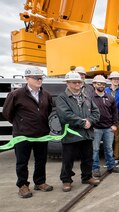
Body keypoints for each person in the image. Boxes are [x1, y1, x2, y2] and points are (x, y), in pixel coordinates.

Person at [3, 67, 53, 198]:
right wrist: (21, 123)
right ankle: (23, 185)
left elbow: (48, 111)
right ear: (27, 79)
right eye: (36, 78)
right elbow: (7, 113)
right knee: (22, 161)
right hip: (22, 135)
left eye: (40, 78)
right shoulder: (16, 94)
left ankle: (40, 182)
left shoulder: (45, 94)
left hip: (41, 134)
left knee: (41, 160)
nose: (39, 80)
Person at [56, 71, 101, 192]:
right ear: (67, 83)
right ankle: (66, 180)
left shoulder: (86, 97)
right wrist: (83, 123)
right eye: (74, 82)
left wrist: (90, 121)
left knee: (87, 157)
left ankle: (87, 177)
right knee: (68, 159)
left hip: (86, 134)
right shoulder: (62, 98)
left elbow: (96, 112)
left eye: (79, 82)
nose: (77, 84)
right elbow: (65, 115)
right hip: (71, 135)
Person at [91, 75, 119, 177]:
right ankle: (95, 168)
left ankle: (111, 166)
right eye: (98, 83)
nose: (101, 85)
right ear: (94, 84)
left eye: (103, 84)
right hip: (95, 128)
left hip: (108, 128)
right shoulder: (90, 98)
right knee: (95, 149)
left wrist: (114, 124)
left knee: (109, 148)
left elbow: (115, 112)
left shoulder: (110, 98)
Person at [105, 71, 119, 160]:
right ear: (111, 80)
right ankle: (108, 158)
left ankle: (116, 158)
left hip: (117, 119)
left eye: (117, 79)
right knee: (108, 140)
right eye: (114, 79)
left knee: (117, 139)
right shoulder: (105, 91)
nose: (116, 80)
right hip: (106, 119)